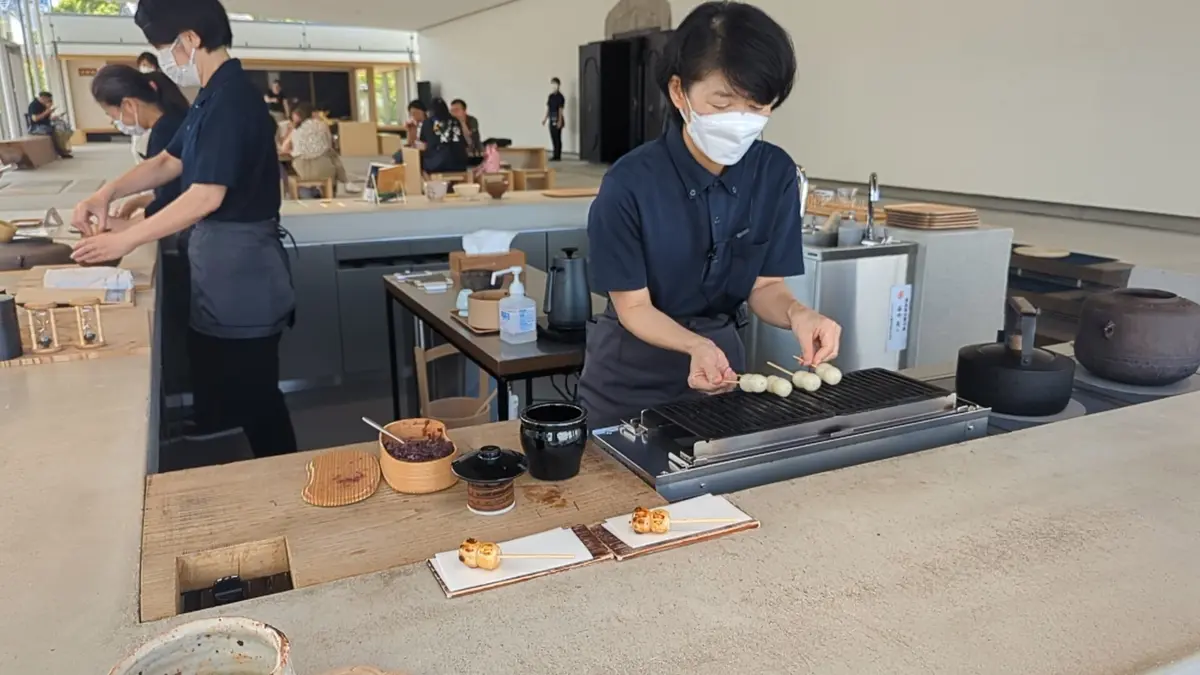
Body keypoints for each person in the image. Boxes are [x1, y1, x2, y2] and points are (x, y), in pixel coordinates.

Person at [578, 1, 842, 431]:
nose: (740, 121)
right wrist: (694, 346)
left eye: (757, 106)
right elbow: (634, 306)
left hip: (722, 376)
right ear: (679, 91)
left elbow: (766, 287)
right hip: (629, 381)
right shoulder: (631, 182)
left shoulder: (773, 173)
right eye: (722, 103)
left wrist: (799, 314)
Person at [72, 0, 298, 458]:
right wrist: (105, 193)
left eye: (168, 50)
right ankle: (244, 471)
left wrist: (125, 237)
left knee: (256, 394)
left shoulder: (234, 100)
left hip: (244, 269)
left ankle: (284, 476)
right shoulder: (210, 97)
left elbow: (204, 196)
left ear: (191, 40)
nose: (168, 64)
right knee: (231, 384)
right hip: (219, 263)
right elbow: (166, 162)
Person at [90, 64, 189, 221]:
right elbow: (173, 189)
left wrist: (132, 226)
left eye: (112, 115)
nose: (114, 122)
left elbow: (176, 199)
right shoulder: (174, 121)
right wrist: (139, 201)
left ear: (128, 105)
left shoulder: (165, 132)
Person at [278, 102, 345, 195]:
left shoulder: (296, 129)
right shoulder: (322, 125)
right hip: (323, 167)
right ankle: (340, 184)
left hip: (302, 169)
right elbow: (329, 145)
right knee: (332, 156)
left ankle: (305, 194)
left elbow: (283, 149)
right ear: (313, 113)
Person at [419, 98, 468, 174]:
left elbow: (424, 144)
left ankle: (428, 184)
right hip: (459, 165)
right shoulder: (455, 121)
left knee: (419, 162)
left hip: (438, 166)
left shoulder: (428, 123)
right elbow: (463, 144)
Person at [27, 92, 72, 159]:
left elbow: (46, 119)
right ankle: (61, 151)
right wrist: (47, 112)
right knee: (56, 131)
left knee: (65, 128)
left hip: (45, 125)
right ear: (43, 98)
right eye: (48, 100)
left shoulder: (44, 105)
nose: (48, 102)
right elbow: (35, 119)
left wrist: (54, 116)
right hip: (36, 127)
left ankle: (62, 148)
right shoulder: (34, 105)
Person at [391, 99, 427, 164]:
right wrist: (410, 131)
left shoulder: (428, 124)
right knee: (397, 155)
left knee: (401, 156)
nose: (413, 116)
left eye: (415, 113)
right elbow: (410, 143)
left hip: (424, 149)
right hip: (415, 148)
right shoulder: (414, 125)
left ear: (422, 112)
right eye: (411, 114)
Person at [450, 98, 482, 164]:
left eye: (457, 110)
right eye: (452, 111)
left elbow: (469, 138)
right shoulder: (451, 122)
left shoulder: (472, 120)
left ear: (464, 111)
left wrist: (462, 122)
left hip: (473, 154)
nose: (454, 113)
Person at [543, 77, 565, 161]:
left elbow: (560, 109)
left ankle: (558, 155)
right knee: (552, 136)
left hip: (557, 117)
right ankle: (554, 153)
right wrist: (545, 119)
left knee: (557, 137)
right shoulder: (551, 96)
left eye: (555, 84)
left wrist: (560, 120)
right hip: (551, 118)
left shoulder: (560, 97)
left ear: (558, 85)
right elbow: (548, 108)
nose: (553, 86)